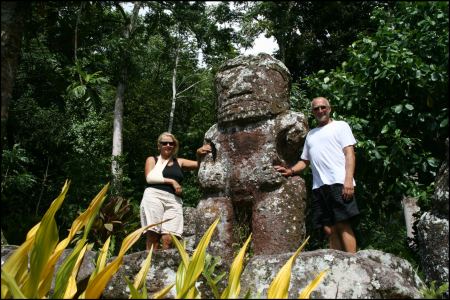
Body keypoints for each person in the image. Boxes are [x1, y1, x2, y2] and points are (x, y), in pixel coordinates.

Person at [274, 96, 360, 253]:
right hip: (319, 186)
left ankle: (353, 261)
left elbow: (349, 154)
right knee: (328, 228)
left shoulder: (341, 126)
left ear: (329, 108)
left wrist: (348, 180)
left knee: (343, 223)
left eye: (323, 107)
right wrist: (290, 170)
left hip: (339, 182)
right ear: (313, 112)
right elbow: (305, 161)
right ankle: (338, 262)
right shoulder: (311, 135)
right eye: (316, 108)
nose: (320, 111)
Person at [140, 132, 211, 251]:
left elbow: (199, 165)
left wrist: (198, 154)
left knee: (170, 238)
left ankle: (164, 267)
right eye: (164, 143)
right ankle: (149, 266)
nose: (168, 145)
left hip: (174, 200)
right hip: (154, 196)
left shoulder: (179, 161)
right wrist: (172, 181)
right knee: (153, 235)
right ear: (159, 146)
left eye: (171, 143)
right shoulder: (152, 159)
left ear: (175, 146)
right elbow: (149, 178)